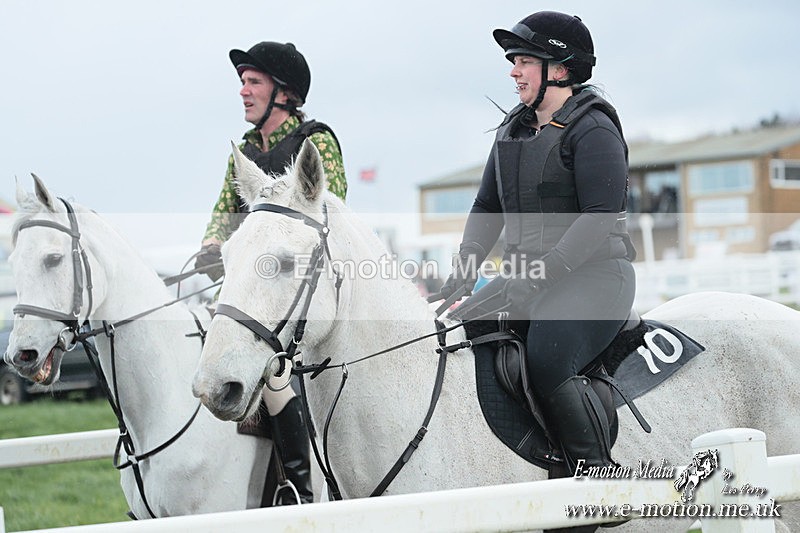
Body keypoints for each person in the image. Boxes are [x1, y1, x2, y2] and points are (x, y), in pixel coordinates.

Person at [439, 12, 636, 476]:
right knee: (466, 329)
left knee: (548, 357)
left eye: (524, 60)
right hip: (529, 279)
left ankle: (598, 480)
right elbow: (487, 206)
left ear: (560, 69)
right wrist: (466, 270)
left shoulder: (594, 130)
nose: (513, 71)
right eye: (513, 61)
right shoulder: (513, 130)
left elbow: (599, 216)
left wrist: (542, 274)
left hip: (595, 277)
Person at [196, 41, 348, 505]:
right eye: (242, 82)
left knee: (279, 372)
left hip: (296, 288)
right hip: (250, 284)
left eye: (252, 82)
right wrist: (210, 245)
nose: (243, 91)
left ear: (283, 93)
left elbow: (331, 214)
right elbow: (225, 211)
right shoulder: (242, 151)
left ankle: (298, 488)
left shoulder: (316, 143)